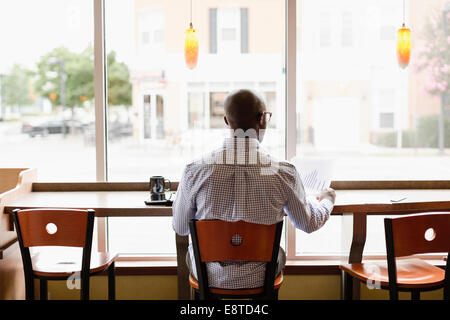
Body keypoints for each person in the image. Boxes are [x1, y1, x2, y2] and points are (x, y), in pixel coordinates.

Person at [172, 89, 336, 290]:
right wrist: (327, 200)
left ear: (226, 121)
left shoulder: (194, 170)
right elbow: (308, 223)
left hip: (209, 276)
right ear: (262, 120)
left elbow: (180, 227)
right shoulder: (284, 172)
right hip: (262, 277)